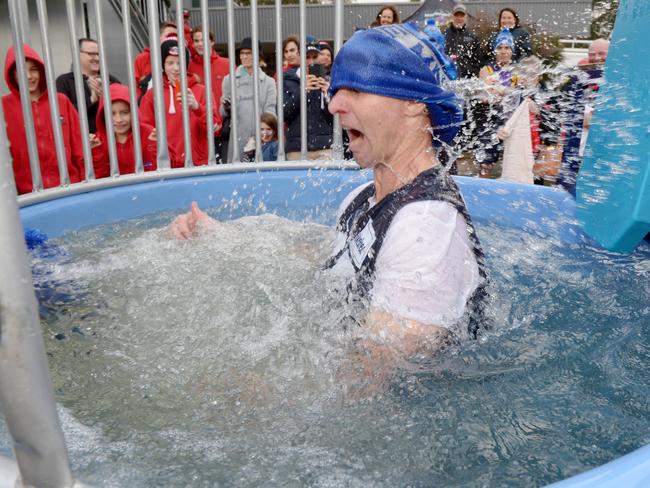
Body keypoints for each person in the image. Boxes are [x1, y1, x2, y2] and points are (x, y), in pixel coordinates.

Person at [168, 24, 488, 356]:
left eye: (357, 91)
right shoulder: (363, 199)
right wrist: (219, 237)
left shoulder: (427, 225)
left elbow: (366, 378)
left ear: (414, 102)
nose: (333, 105)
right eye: (336, 89)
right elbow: (332, 261)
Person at [3, 44, 84, 194]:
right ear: (12, 74)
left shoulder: (61, 101)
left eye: (33, 69)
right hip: (27, 197)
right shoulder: (3, 107)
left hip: (69, 189)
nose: (29, 76)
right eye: (21, 70)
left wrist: (85, 186)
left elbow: (80, 149)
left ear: (41, 71)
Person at [139, 36, 220, 168]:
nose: (176, 68)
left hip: (197, 164)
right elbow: (143, 128)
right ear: (162, 66)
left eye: (179, 63)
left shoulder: (202, 91)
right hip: (165, 165)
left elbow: (215, 129)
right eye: (170, 63)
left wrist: (197, 108)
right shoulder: (152, 95)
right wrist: (152, 134)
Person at [558, 38, 610, 196]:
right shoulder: (579, 76)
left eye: (602, 53)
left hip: (602, 147)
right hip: (576, 144)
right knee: (569, 186)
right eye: (592, 54)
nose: (597, 58)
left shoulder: (616, 76)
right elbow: (568, 107)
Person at [220, 37, 277, 161]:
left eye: (248, 53)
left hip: (262, 139)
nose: (244, 57)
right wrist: (226, 107)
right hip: (236, 138)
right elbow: (222, 113)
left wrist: (263, 136)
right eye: (242, 53)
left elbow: (271, 114)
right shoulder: (229, 80)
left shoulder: (269, 82)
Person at [476, 28, 519, 177]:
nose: (503, 51)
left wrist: (499, 89)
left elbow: (514, 94)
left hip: (510, 121)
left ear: (512, 50)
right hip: (490, 119)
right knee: (486, 164)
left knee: (512, 163)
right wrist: (506, 90)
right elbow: (489, 94)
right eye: (499, 47)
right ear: (495, 50)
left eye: (507, 48)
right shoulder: (486, 69)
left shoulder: (518, 71)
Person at [90, 83, 158, 178]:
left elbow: (166, 170)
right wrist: (95, 152)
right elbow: (96, 179)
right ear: (102, 114)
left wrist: (155, 146)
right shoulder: (97, 141)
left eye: (125, 112)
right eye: (112, 113)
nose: (118, 119)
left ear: (134, 111)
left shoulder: (149, 133)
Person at [283, 37, 333, 161]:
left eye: (314, 57)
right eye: (307, 57)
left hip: (324, 147)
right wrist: (302, 90)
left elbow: (335, 118)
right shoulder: (287, 80)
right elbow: (284, 114)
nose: (311, 62)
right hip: (297, 149)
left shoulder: (328, 81)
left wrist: (328, 95)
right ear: (299, 56)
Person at [56, 38, 120, 133]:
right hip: (81, 140)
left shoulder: (111, 80)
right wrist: (91, 100)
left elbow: (125, 109)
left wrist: (107, 97)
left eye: (98, 54)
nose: (97, 58)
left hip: (110, 139)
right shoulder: (64, 81)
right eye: (91, 54)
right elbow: (62, 115)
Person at [134, 22, 177, 99]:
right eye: (169, 36)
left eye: (175, 36)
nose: (172, 39)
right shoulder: (143, 58)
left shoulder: (182, 59)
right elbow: (135, 87)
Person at [443, 4, 482, 79]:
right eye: (456, 15)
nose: (459, 18)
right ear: (452, 17)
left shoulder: (473, 36)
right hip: (448, 78)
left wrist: (473, 75)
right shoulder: (444, 35)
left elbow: (478, 61)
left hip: (467, 80)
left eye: (462, 16)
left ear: (466, 17)